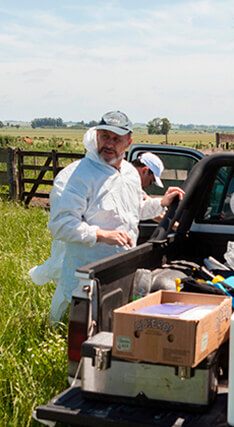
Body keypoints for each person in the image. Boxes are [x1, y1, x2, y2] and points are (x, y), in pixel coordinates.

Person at [44, 111, 183, 322]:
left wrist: (162, 203)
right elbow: (60, 225)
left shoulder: (128, 173)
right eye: (105, 136)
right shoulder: (76, 176)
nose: (109, 144)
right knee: (75, 334)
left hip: (122, 271)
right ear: (96, 136)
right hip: (85, 278)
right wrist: (100, 234)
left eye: (116, 139)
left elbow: (133, 210)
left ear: (129, 142)